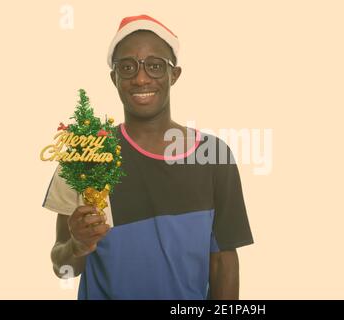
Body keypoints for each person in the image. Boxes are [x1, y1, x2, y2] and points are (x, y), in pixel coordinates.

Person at [43, 14, 254, 300]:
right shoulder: (85, 156)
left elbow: (224, 263)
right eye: (127, 67)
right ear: (113, 77)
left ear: (174, 74)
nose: (141, 78)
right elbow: (62, 265)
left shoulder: (212, 155)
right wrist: (77, 246)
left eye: (155, 66)